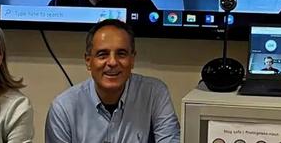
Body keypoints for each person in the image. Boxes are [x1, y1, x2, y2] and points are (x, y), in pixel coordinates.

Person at [45, 19, 180, 143]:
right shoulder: (63, 108)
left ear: (132, 59)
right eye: (102, 54)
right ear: (88, 61)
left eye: (121, 54)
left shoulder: (154, 94)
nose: (112, 62)